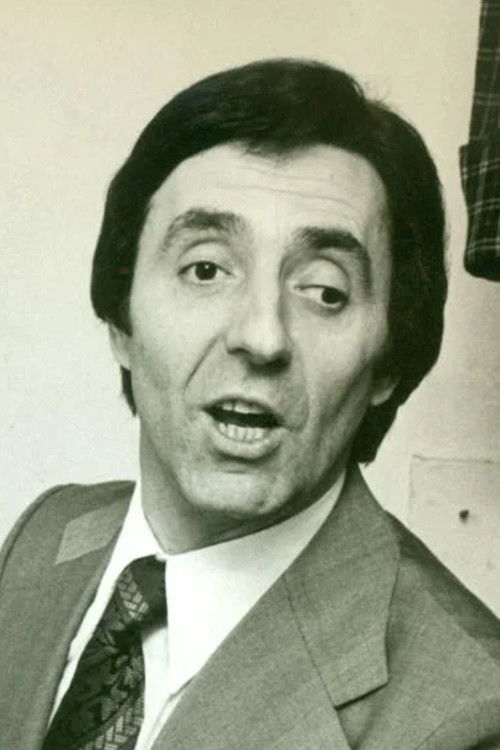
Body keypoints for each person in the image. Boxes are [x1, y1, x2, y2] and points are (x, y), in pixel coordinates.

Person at [1, 58, 499, 750]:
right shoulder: (45, 534)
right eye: (205, 269)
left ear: (389, 360)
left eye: (325, 292)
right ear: (120, 320)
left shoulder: (469, 714)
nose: (262, 337)